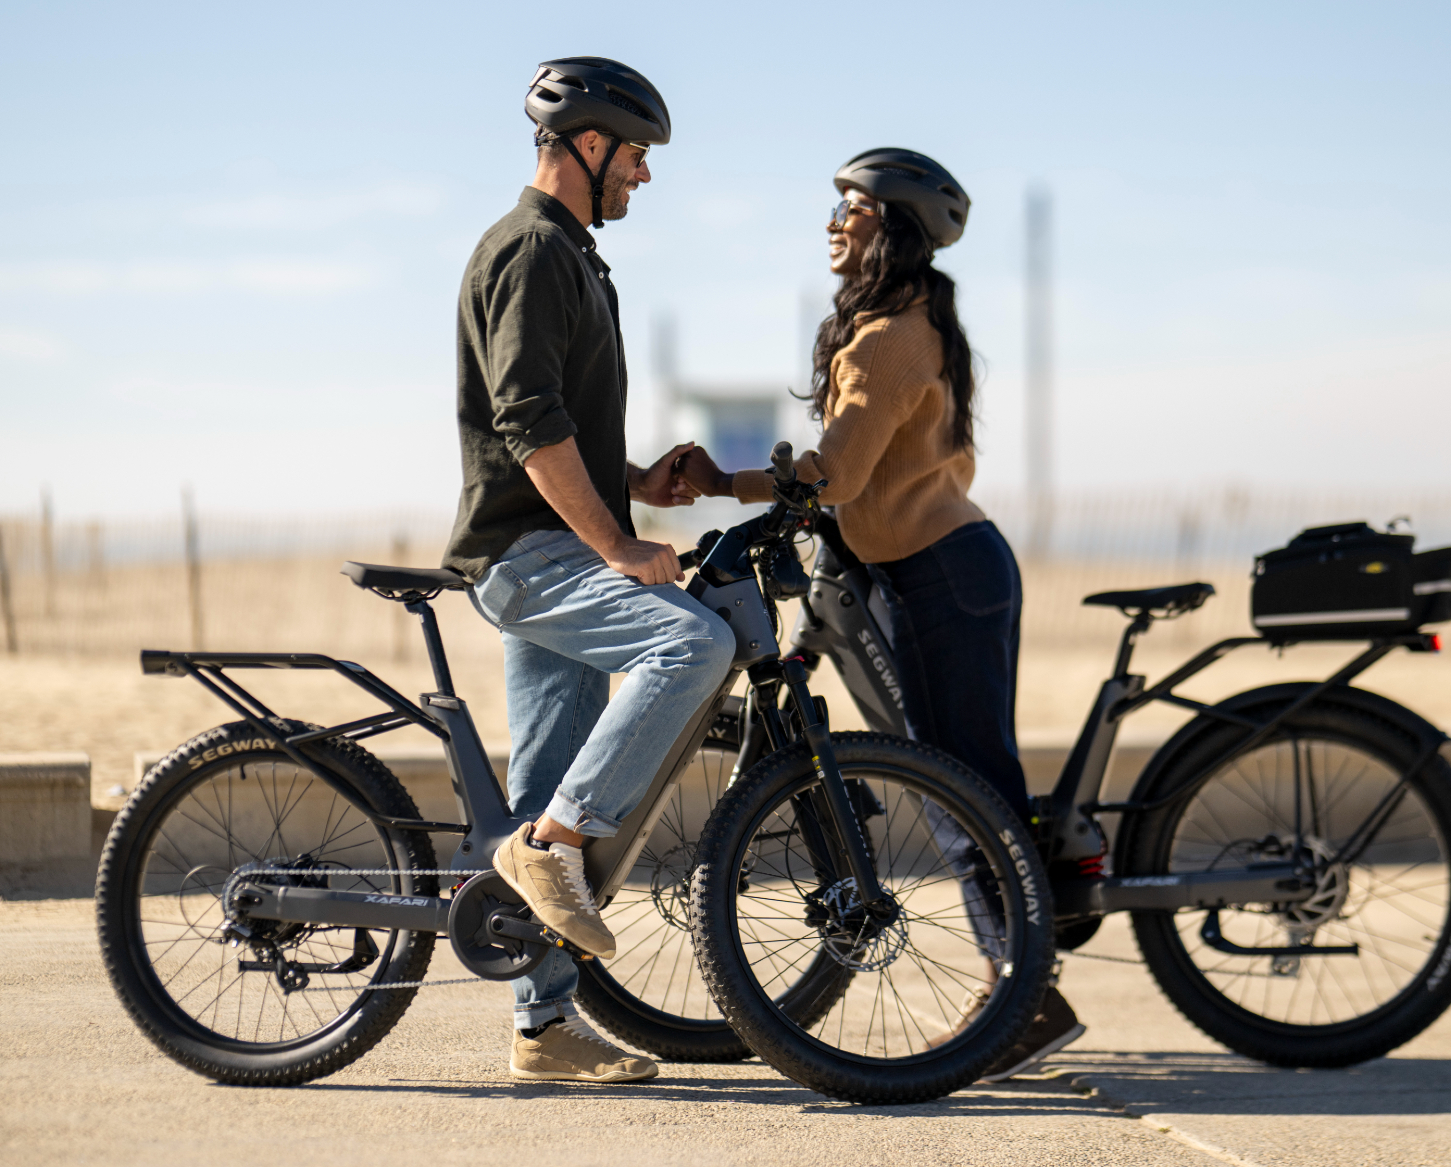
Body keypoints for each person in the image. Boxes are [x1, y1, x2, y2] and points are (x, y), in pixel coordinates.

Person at [675, 147, 1084, 1081]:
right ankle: (1019, 981)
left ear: (892, 225)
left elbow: (841, 476)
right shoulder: (906, 320)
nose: (833, 222)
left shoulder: (887, 336)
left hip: (939, 576)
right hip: (926, 571)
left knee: (962, 788)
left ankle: (1028, 994)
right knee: (958, 782)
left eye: (850, 207)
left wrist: (716, 482)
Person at [442, 56, 735, 1085]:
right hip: (532, 557)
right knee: (692, 640)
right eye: (637, 157)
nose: (644, 178)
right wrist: (614, 544)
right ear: (587, 146)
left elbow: (557, 427)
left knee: (542, 775)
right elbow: (524, 424)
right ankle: (554, 841)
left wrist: (635, 483)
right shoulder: (528, 251)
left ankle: (542, 1030)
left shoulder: (568, 255)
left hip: (556, 544)